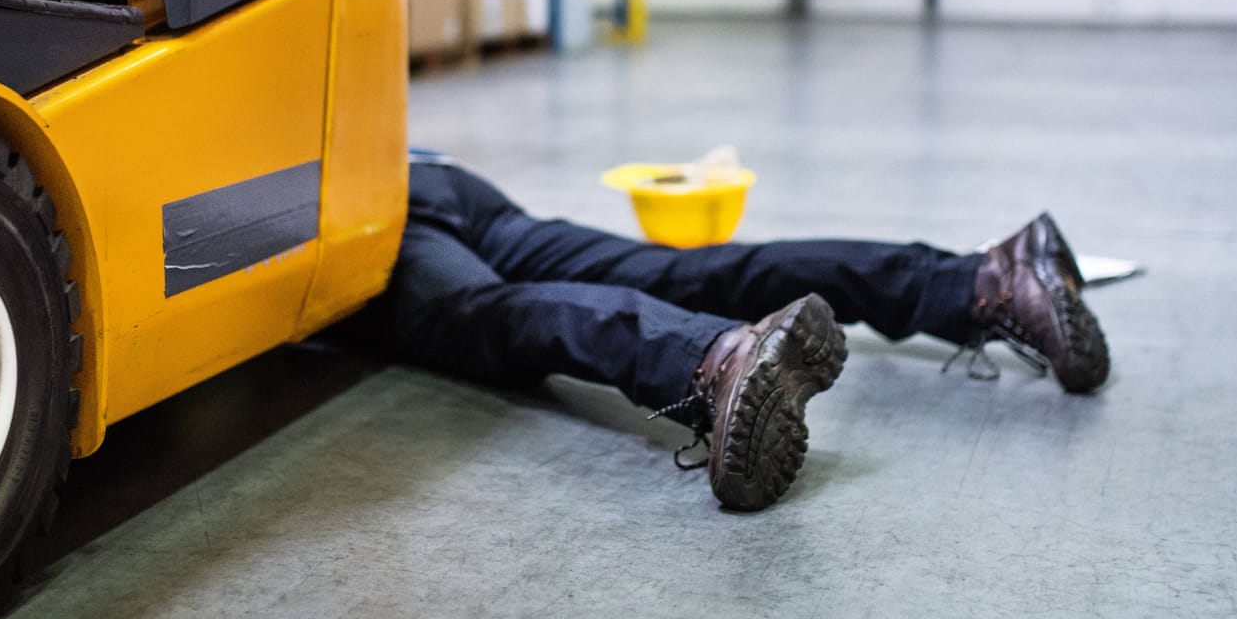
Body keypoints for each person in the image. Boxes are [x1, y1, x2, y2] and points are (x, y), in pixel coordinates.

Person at [348, 153, 1112, 511]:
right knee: (689, 272)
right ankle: (988, 280)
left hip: (344, 206)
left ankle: (717, 360)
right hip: (428, 169)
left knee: (493, 317)